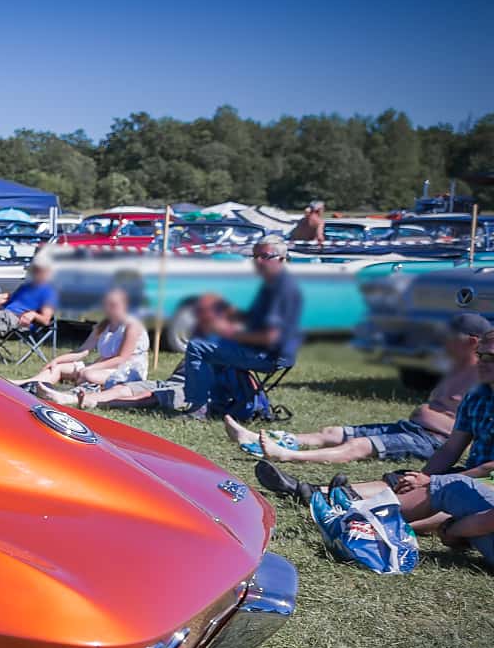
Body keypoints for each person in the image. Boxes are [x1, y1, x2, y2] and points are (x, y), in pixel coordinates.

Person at [255, 328, 494, 563]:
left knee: (446, 490)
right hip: (469, 476)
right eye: (481, 355)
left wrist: (438, 494)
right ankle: (320, 494)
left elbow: (487, 469)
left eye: (490, 357)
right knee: (407, 481)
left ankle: (357, 522)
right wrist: (423, 476)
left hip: (479, 477)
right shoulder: (477, 394)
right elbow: (452, 449)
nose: (482, 361)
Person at [225, 313, 492, 462]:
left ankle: (287, 455)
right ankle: (259, 439)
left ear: (471, 341)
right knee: (332, 431)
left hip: (431, 441)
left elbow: (462, 433)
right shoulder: (452, 366)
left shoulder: (482, 378)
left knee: (359, 445)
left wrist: (427, 414)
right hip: (411, 428)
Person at [178, 234, 301, 420]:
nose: (258, 261)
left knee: (197, 346)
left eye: (265, 256)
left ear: (282, 259)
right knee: (210, 341)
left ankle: (198, 408)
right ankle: (221, 403)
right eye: (255, 256)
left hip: (271, 355)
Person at [30, 287, 149, 406]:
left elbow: (121, 359)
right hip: (104, 365)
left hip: (126, 370)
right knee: (58, 368)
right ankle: (29, 384)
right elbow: (83, 350)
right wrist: (56, 360)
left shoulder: (132, 325)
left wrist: (91, 368)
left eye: (114, 305)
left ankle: (67, 395)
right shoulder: (104, 324)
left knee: (88, 374)